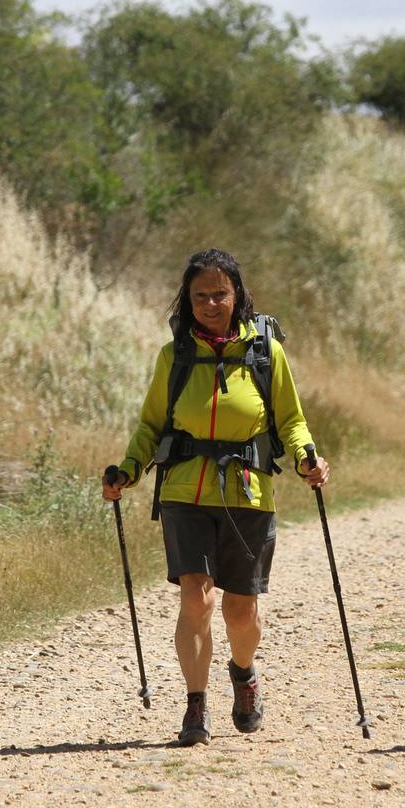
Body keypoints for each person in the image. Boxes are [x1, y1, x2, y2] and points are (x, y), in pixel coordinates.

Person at [102, 248, 330, 746]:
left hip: (248, 492)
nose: (210, 303)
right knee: (195, 597)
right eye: (200, 295)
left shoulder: (266, 354)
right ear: (187, 300)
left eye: (219, 294)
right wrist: (128, 471)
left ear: (237, 295)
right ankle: (196, 704)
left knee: (241, 611)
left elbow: (291, 421)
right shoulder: (175, 356)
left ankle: (243, 672)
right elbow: (151, 426)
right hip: (184, 490)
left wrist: (306, 459)